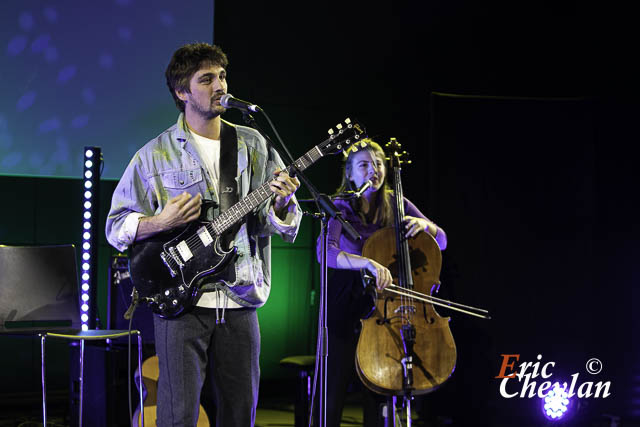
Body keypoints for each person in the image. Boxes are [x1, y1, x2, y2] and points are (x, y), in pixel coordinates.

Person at [105, 42, 302, 426]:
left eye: (222, 76)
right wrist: (159, 223)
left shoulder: (254, 145)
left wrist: (281, 204)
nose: (219, 85)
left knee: (239, 412)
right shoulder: (153, 156)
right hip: (182, 303)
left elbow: (280, 220)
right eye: (206, 79)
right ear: (182, 92)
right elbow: (116, 227)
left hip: (241, 297)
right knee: (177, 415)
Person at [316, 138, 447, 426]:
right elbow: (326, 252)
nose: (373, 170)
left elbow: (442, 240)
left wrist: (428, 226)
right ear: (350, 174)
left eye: (378, 164)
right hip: (347, 301)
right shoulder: (341, 206)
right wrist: (368, 262)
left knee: (376, 390)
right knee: (334, 386)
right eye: (363, 165)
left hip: (385, 303)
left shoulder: (397, 203)